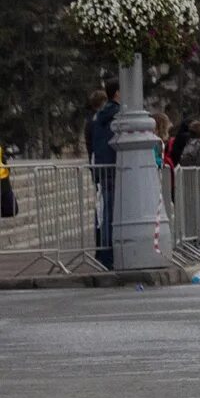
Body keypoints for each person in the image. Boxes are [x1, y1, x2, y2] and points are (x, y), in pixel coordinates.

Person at [86, 79, 118, 268]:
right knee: (108, 212)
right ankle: (107, 254)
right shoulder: (112, 115)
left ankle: (105, 253)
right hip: (110, 168)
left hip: (102, 168)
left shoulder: (97, 119)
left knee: (105, 212)